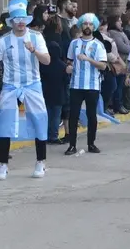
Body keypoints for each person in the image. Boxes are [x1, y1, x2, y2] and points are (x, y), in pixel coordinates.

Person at [0, 0, 51, 180]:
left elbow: (47, 61)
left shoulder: (36, 37)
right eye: (16, 20)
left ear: (27, 19)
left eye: (22, 19)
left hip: (33, 84)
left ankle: (41, 162)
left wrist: (34, 51)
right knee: (5, 123)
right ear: (11, 22)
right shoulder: (3, 40)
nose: (20, 23)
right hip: (10, 85)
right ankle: (2, 164)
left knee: (39, 121)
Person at [64, 13, 107, 155]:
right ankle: (72, 145)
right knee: (73, 115)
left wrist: (88, 59)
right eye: (85, 24)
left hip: (92, 85)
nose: (87, 26)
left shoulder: (98, 45)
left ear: (94, 27)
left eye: (90, 24)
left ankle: (91, 143)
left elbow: (103, 66)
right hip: (75, 84)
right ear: (81, 25)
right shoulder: (74, 43)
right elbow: (69, 61)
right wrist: (68, 67)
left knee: (91, 115)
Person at [40, 14, 67, 145]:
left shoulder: (44, 64)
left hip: (46, 93)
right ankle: (54, 136)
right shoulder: (62, 66)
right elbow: (66, 79)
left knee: (47, 115)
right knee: (56, 116)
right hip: (59, 95)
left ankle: (45, 135)